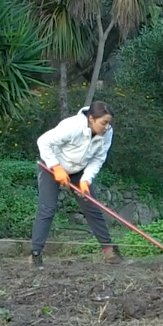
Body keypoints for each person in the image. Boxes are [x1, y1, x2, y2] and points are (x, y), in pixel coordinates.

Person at [30, 101, 123, 267]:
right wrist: (56, 167)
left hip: (79, 170)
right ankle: (35, 254)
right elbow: (43, 141)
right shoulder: (72, 126)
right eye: (103, 123)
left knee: (92, 207)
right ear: (91, 119)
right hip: (51, 167)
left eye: (109, 123)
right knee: (47, 208)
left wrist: (86, 179)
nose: (106, 127)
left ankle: (109, 251)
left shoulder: (107, 133)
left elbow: (98, 158)